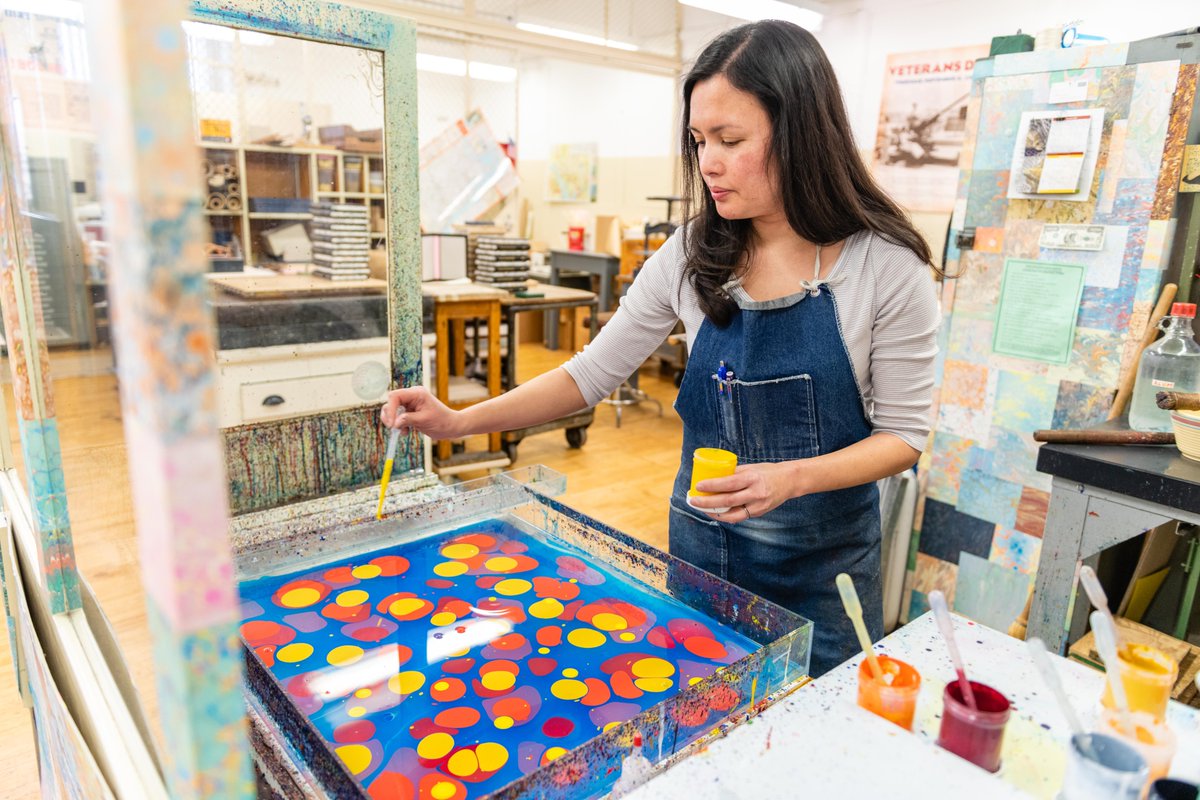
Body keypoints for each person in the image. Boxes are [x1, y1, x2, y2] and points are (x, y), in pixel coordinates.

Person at [382, 20, 940, 676]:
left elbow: (904, 435)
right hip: (700, 566)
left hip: (823, 581)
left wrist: (794, 478)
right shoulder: (693, 252)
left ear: (800, 133)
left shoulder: (883, 265)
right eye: (700, 141)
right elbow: (590, 374)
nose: (709, 163)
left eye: (731, 140)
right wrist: (458, 421)